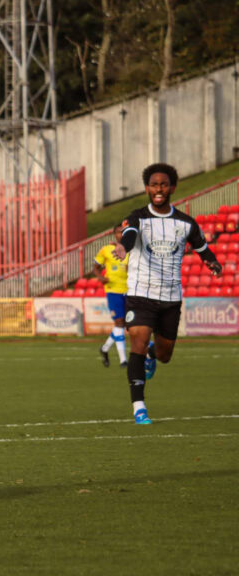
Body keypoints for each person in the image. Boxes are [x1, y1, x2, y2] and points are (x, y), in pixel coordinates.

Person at [114, 163, 221, 425]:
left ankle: (153, 354)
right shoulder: (137, 217)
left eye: (163, 184)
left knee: (165, 355)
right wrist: (124, 248)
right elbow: (129, 235)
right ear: (147, 189)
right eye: (153, 185)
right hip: (140, 294)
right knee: (137, 343)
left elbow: (202, 247)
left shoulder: (185, 223)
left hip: (171, 298)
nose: (158, 189)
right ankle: (139, 407)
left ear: (172, 187)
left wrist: (213, 262)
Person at [93, 225, 129, 367]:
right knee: (119, 322)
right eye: (119, 232)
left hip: (129, 290)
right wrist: (100, 278)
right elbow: (95, 267)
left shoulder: (131, 250)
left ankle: (105, 348)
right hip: (113, 290)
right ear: (114, 234)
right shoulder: (106, 250)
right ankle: (123, 360)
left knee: (124, 325)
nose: (121, 234)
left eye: (123, 232)